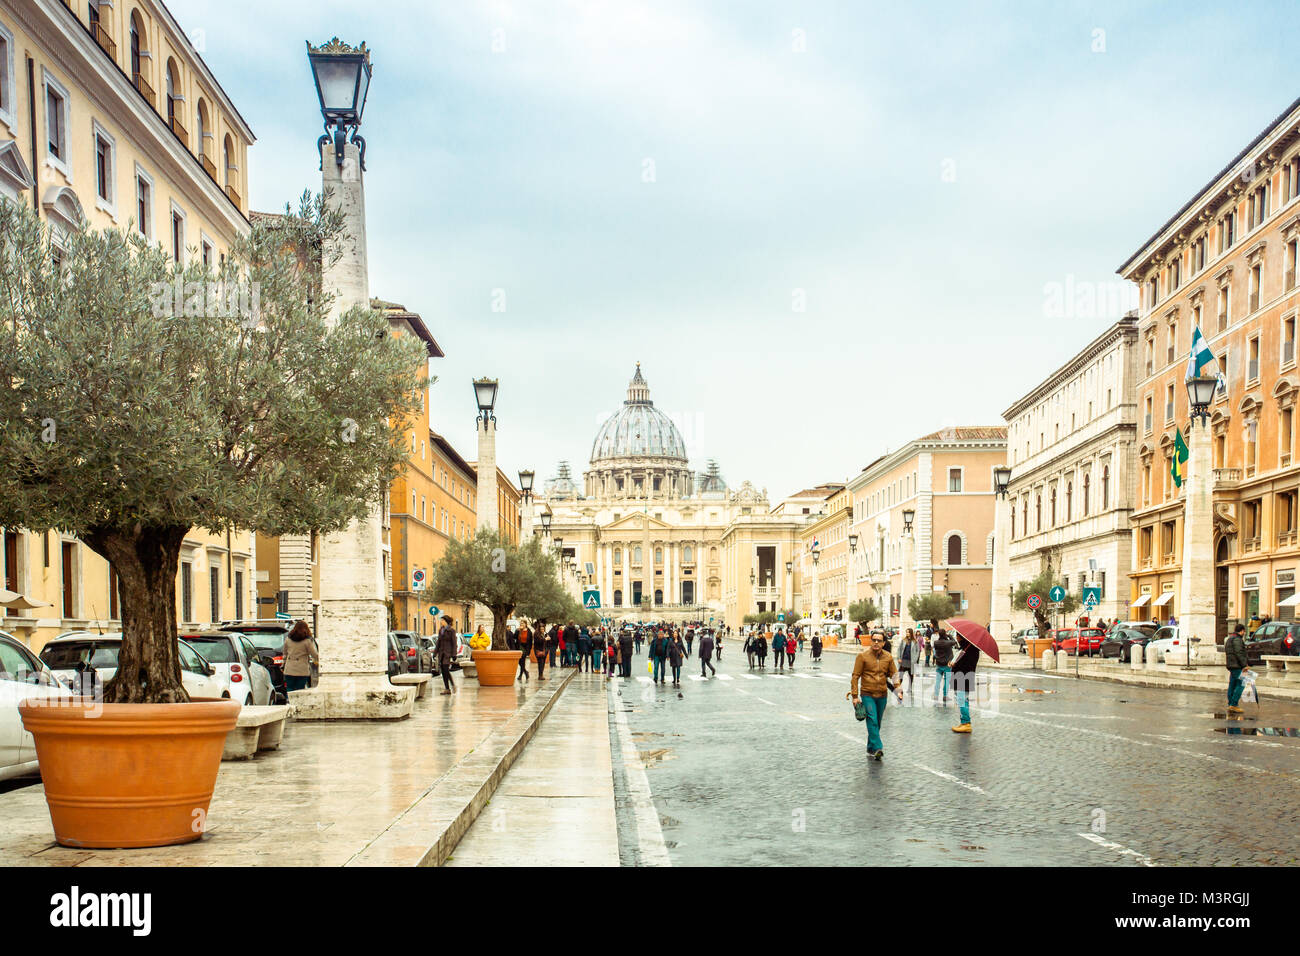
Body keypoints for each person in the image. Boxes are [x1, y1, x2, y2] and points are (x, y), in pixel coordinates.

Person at [850, 632, 902, 760]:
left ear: (884, 643)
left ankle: (870, 747)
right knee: (872, 719)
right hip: (867, 693)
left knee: (877, 723)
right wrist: (855, 696)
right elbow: (855, 676)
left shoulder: (888, 657)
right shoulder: (862, 657)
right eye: (874, 640)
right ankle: (878, 747)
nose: (876, 642)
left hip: (882, 694)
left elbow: (894, 674)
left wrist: (898, 689)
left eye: (879, 640)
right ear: (871, 641)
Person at [951, 633, 981, 732]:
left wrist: (955, 664)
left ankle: (966, 723)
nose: (956, 638)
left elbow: (967, 664)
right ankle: (964, 722)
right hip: (962, 676)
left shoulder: (970, 649)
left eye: (958, 636)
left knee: (962, 700)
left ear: (962, 637)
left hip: (963, 676)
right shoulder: (965, 648)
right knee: (963, 700)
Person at [282, 620, 319, 693]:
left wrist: (283, 665)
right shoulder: (307, 641)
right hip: (302, 669)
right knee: (300, 690)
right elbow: (314, 654)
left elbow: (284, 654)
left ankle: (290, 702)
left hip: (289, 668)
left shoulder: (288, 639)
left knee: (289, 688)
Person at [1225, 623, 1249, 714]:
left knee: (1232, 684)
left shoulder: (1229, 639)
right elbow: (1239, 653)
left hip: (1231, 665)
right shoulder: (1237, 640)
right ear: (1242, 631)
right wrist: (1244, 665)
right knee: (1242, 683)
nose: (1244, 633)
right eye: (1244, 631)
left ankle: (1230, 703)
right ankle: (1234, 704)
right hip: (1237, 666)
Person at [436, 614, 460, 694]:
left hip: (447, 653)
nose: (441, 622)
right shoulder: (441, 630)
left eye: (442, 620)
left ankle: (452, 685)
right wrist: (435, 652)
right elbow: (438, 642)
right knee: (443, 671)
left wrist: (454, 654)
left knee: (446, 669)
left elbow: (454, 643)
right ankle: (447, 688)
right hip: (441, 653)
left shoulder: (451, 631)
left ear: (446, 621)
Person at [932, 628, 957, 704]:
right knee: (946, 681)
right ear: (945, 634)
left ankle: (936, 695)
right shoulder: (948, 643)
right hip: (947, 665)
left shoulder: (936, 642)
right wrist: (950, 636)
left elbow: (936, 651)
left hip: (939, 664)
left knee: (937, 681)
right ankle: (945, 696)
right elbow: (954, 642)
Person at [896, 628, 918, 695]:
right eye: (906, 632)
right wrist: (899, 658)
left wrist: (915, 660)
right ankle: (899, 688)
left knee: (911, 675)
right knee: (900, 675)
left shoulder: (915, 642)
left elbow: (918, 651)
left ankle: (910, 688)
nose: (907, 633)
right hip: (903, 660)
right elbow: (899, 649)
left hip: (911, 661)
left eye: (908, 632)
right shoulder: (903, 640)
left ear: (911, 633)